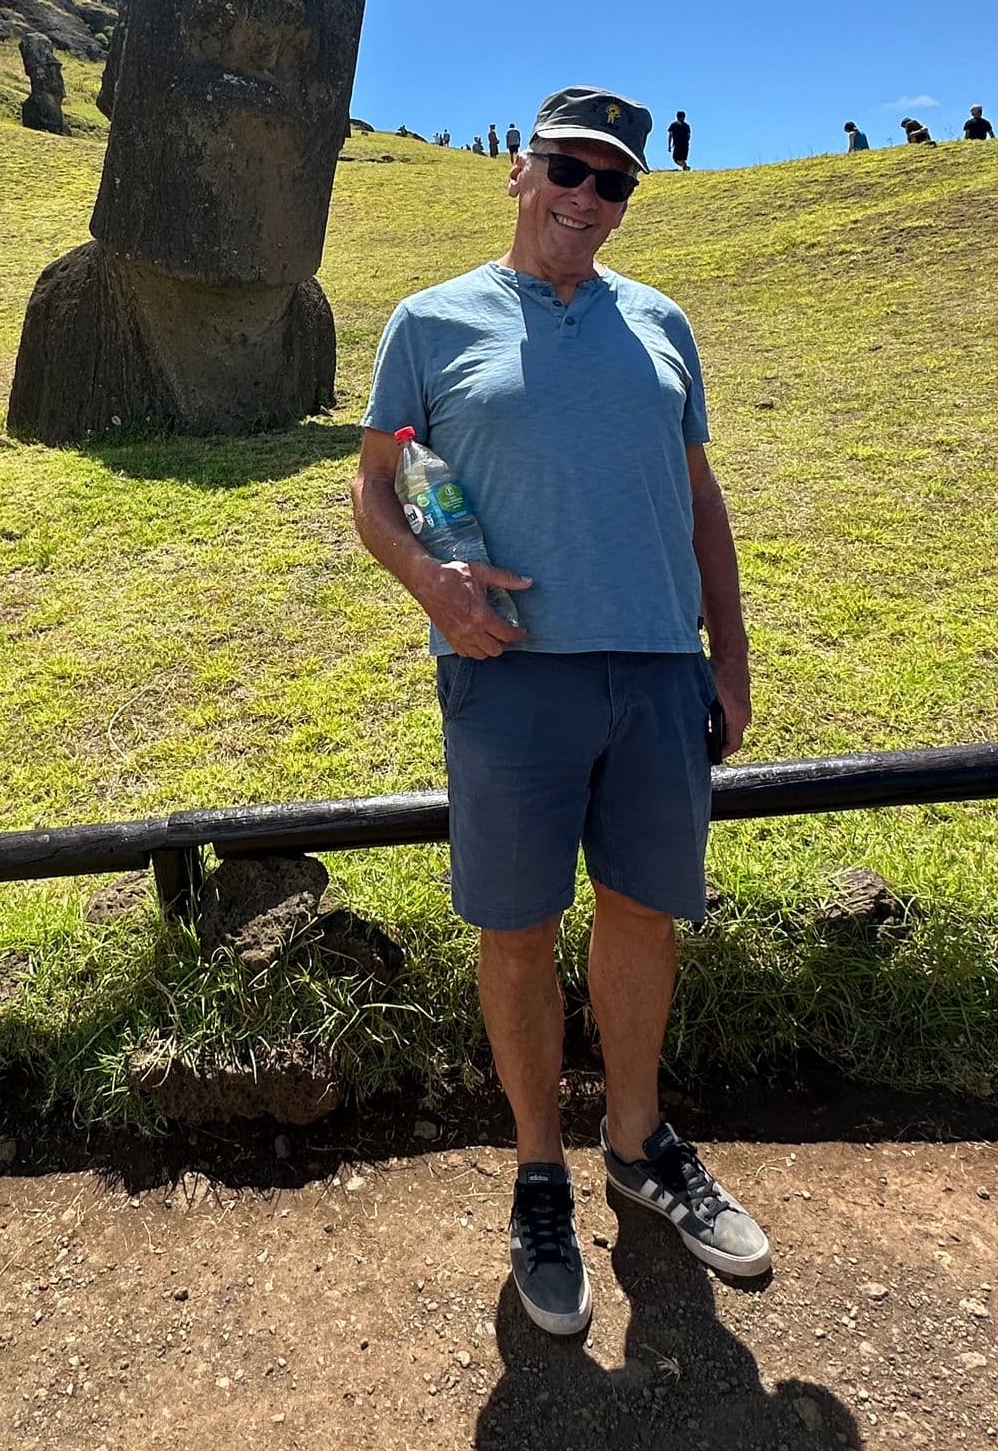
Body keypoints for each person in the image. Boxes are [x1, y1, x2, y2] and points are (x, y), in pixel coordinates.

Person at [352, 84, 769, 1338]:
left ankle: (639, 1141)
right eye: (571, 170)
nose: (591, 197)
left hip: (654, 669)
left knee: (646, 914)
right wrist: (432, 581)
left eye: (616, 181)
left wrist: (729, 654)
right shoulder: (429, 321)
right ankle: (541, 1170)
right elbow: (378, 488)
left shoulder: (663, 324)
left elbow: (700, 501)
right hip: (510, 676)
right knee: (518, 929)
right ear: (521, 171)